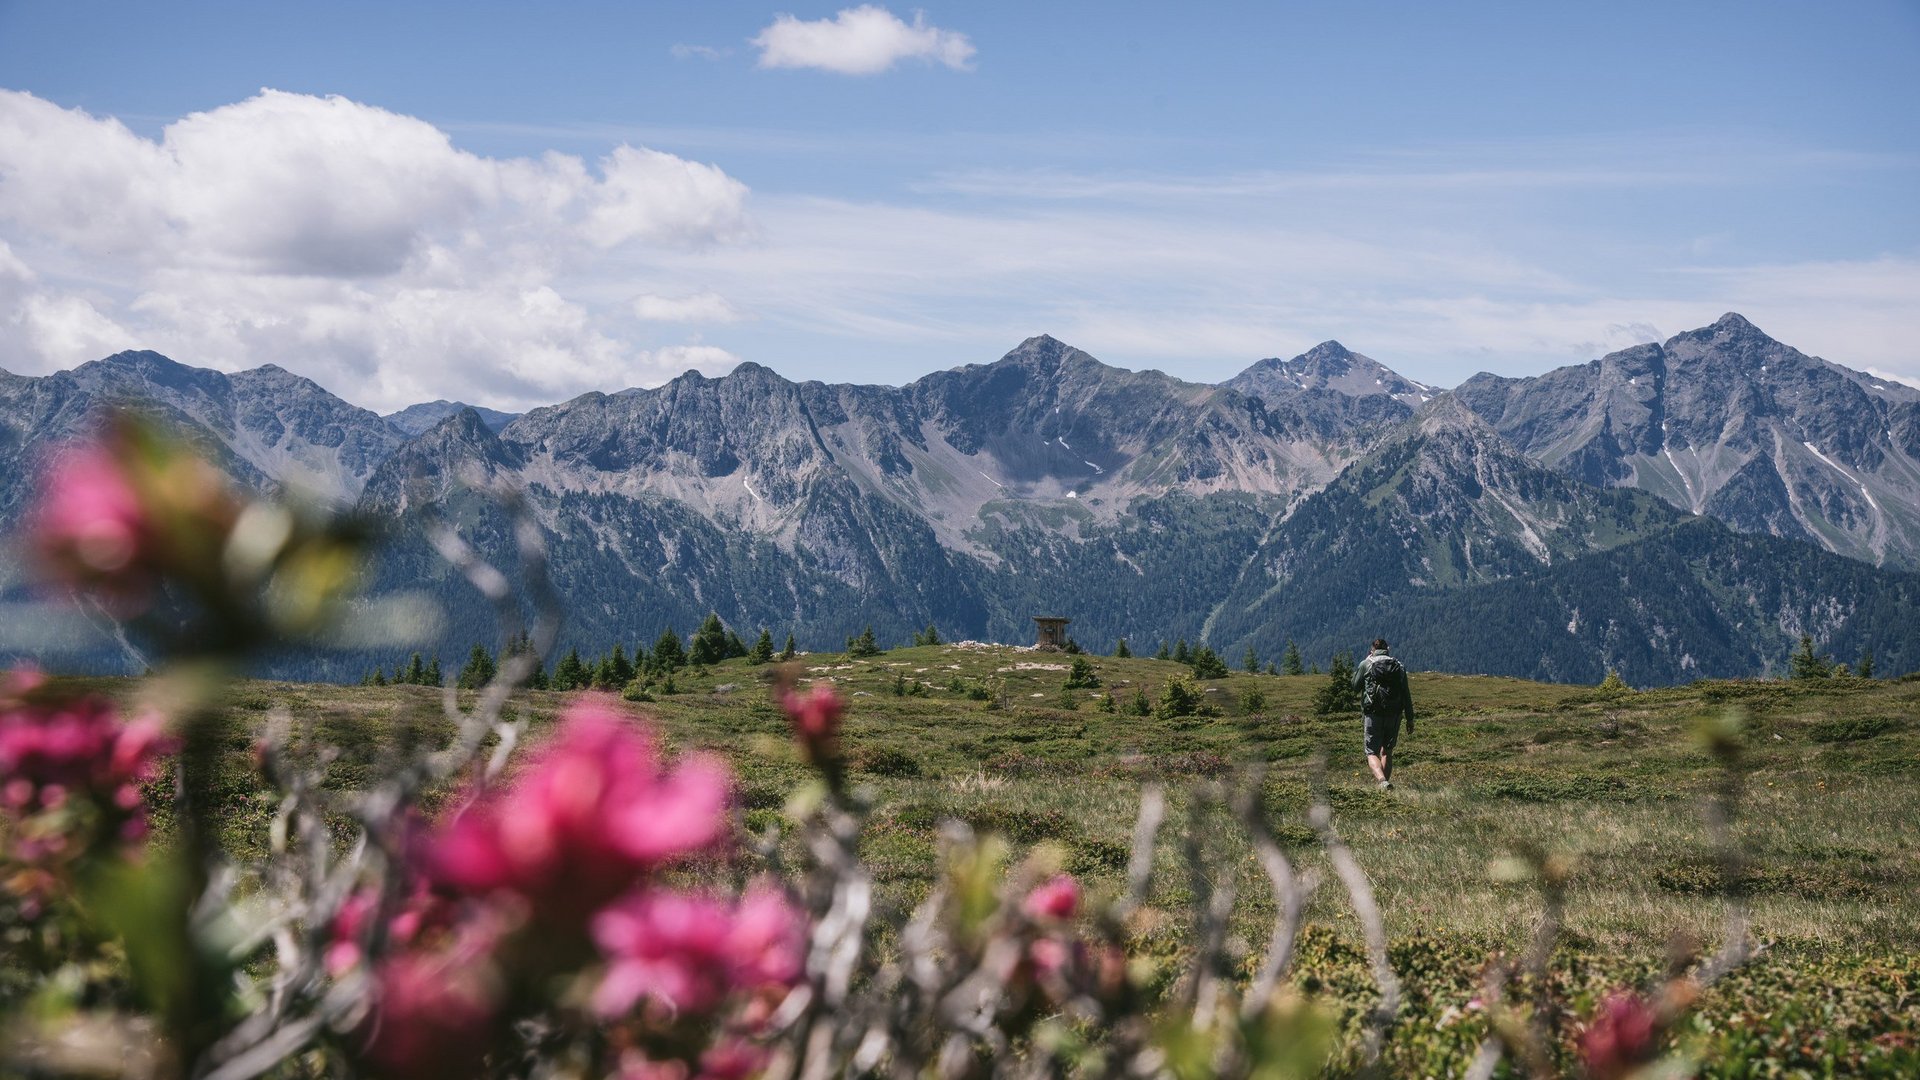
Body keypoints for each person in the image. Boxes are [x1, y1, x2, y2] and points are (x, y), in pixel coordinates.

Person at [1353, 638, 1413, 790]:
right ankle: (1385, 787)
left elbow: (1354, 686)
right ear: (1388, 649)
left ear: (1372, 649)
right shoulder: (1399, 666)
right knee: (1387, 751)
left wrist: (1365, 661)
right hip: (1394, 714)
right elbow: (1406, 694)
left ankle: (1382, 781)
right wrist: (1410, 718)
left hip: (1373, 713)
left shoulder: (1367, 664)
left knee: (1371, 751)